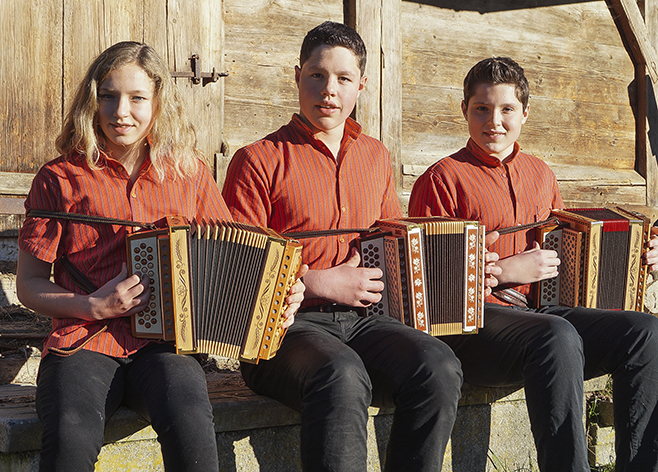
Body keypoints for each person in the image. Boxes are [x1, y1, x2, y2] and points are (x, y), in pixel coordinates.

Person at [16, 41, 305, 472]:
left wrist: (283, 293)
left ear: (158, 103)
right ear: (92, 100)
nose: (120, 112)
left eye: (137, 99)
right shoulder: (60, 177)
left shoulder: (188, 174)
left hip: (166, 346)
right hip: (84, 342)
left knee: (191, 424)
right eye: (109, 96)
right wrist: (93, 305)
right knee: (70, 436)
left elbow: (234, 262)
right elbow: (29, 285)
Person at [221, 21, 472, 472]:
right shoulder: (257, 159)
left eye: (342, 79)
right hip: (282, 332)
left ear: (362, 84)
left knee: (440, 366)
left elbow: (388, 239)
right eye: (317, 75)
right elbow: (235, 270)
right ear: (297, 76)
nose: (329, 91)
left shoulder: (375, 155)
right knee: (342, 375)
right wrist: (318, 280)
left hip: (365, 323)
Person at [408, 56, 658, 472]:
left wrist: (638, 259)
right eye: (482, 109)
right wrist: (505, 271)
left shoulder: (540, 173)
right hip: (474, 330)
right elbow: (424, 289)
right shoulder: (441, 179)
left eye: (506, 109)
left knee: (646, 332)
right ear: (465, 111)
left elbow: (568, 252)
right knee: (555, 334)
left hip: (544, 318)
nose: (494, 121)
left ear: (526, 112)